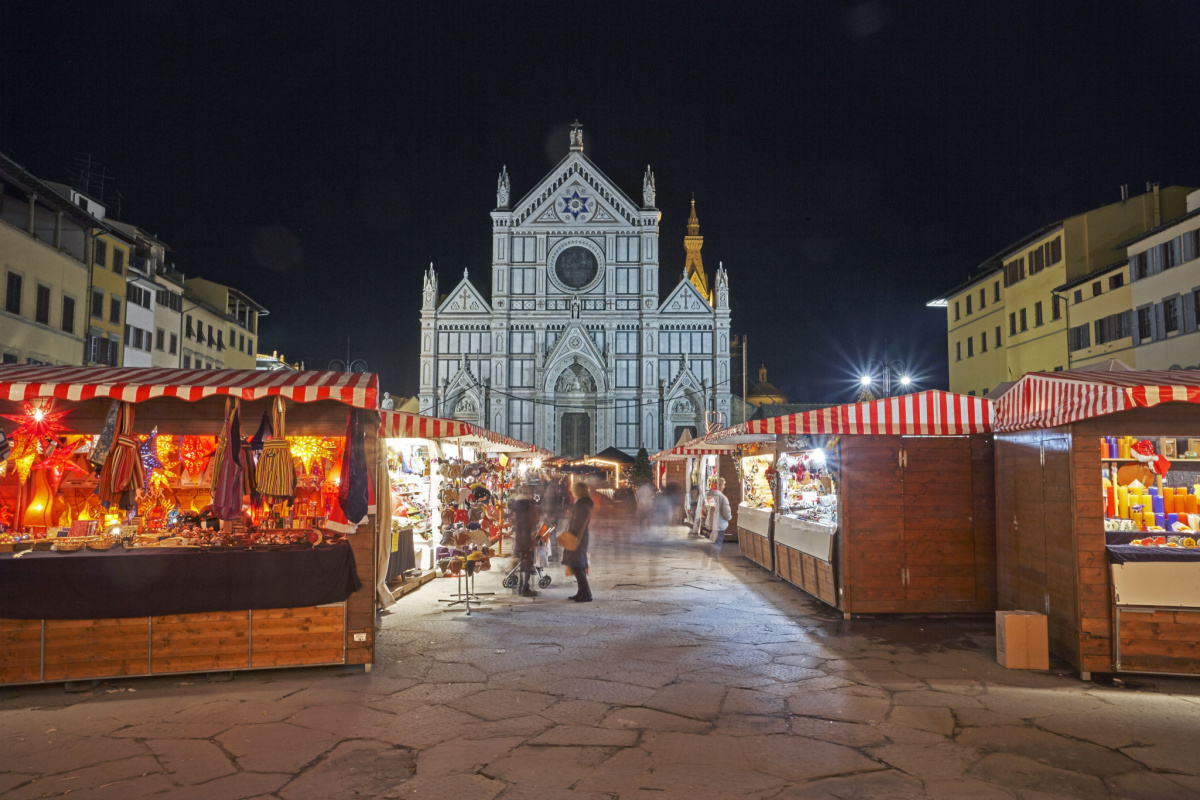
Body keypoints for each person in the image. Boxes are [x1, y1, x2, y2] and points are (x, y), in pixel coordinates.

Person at [561, 481, 594, 602]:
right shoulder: (585, 502)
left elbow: (577, 521)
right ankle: (582, 591)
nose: (572, 492)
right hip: (581, 536)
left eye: (574, 490)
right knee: (576, 564)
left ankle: (586, 593)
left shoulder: (581, 503)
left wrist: (571, 533)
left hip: (577, 537)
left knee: (576, 565)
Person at [510, 489, 539, 597]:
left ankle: (521, 586)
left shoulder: (516, 507)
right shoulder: (528, 508)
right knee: (528, 564)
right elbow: (532, 522)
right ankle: (525, 588)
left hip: (518, 540)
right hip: (526, 540)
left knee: (521, 563)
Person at [708, 477, 733, 548]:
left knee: (714, 541)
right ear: (719, 486)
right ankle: (715, 556)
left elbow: (711, 510)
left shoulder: (711, 495)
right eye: (723, 485)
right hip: (721, 523)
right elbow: (726, 512)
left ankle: (713, 555)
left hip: (714, 523)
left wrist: (711, 523)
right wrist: (729, 517)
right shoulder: (723, 497)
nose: (724, 487)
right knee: (718, 542)